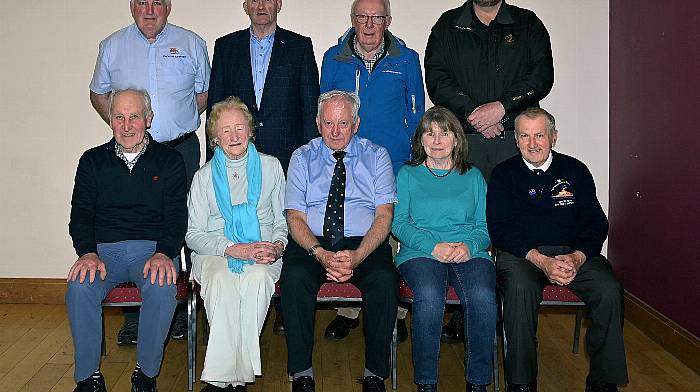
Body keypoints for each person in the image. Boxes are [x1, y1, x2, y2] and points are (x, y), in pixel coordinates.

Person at [424, 0, 554, 343]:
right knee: (465, 223)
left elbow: (541, 77)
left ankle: (512, 312)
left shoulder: (528, 24)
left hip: (514, 142)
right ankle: (465, 312)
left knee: (514, 224)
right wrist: (475, 114)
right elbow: (437, 81)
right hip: (465, 142)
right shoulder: (447, 25)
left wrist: (503, 111)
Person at [89, 0, 210, 344]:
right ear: (132, 7)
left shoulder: (192, 43)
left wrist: (173, 124)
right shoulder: (112, 46)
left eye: (158, 2)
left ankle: (174, 309)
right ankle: (134, 317)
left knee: (181, 222)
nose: (150, 9)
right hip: (133, 152)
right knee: (131, 225)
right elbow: (99, 93)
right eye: (142, 2)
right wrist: (127, 129)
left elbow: (201, 95)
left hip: (180, 148)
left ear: (168, 6)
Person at [486, 108, 628, 392]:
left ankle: (603, 381)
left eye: (539, 135)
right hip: (523, 255)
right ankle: (522, 382)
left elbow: (597, 223)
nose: (532, 143)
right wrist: (541, 261)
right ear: (516, 140)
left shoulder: (575, 170)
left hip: (574, 253)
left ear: (554, 137)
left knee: (609, 289)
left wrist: (577, 257)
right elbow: (500, 229)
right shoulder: (504, 174)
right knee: (519, 290)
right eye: (524, 136)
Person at [67, 88, 187, 392]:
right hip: (104, 252)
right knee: (79, 286)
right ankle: (87, 378)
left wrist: (165, 253)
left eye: (135, 116)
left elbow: (176, 217)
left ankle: (145, 375)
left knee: (162, 287)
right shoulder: (92, 161)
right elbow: (80, 215)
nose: (127, 124)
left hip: (153, 250)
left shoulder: (169, 160)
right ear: (110, 121)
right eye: (119, 117)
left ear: (149, 119)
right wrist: (87, 253)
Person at [319, 0, 424, 342]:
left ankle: (395, 310)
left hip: (393, 163)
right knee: (349, 227)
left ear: (387, 21)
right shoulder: (334, 59)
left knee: (391, 235)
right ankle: (347, 310)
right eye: (362, 16)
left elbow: (417, 112)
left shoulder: (406, 60)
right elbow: (326, 112)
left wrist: (410, 153)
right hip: (347, 161)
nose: (368, 24)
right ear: (352, 19)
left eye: (376, 17)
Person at [281, 91, 398, 392]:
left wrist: (358, 255)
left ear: (356, 123)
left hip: (364, 241)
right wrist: (319, 253)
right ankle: (302, 373)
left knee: (385, 279)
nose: (335, 131)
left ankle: (375, 373)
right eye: (328, 123)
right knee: (294, 277)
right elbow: (294, 217)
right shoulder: (301, 157)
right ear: (318, 123)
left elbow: (384, 215)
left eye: (343, 123)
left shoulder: (377, 156)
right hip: (313, 241)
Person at [186, 97, 287, 391]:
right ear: (215, 138)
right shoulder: (203, 177)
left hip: (264, 249)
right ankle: (232, 377)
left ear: (251, 131)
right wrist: (231, 248)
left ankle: (225, 379)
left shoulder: (272, 167)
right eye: (225, 130)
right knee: (221, 280)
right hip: (215, 251)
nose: (234, 136)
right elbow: (193, 234)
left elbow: (283, 222)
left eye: (240, 128)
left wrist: (277, 246)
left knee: (256, 279)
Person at [392, 107, 495, 392]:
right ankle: (426, 383)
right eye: (430, 133)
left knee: (483, 297)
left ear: (457, 140)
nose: (437, 140)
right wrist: (432, 246)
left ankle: (478, 383)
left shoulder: (473, 177)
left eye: (445, 133)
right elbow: (398, 224)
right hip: (420, 251)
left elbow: (485, 226)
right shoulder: (408, 174)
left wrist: (470, 246)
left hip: (468, 251)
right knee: (429, 295)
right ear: (420, 140)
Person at [206, 0, 320, 171]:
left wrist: (311, 159)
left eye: (267, 0)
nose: (260, 6)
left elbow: (310, 109)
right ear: (245, 7)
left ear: (278, 4)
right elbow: (214, 109)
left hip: (288, 155)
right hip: (236, 154)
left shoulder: (300, 47)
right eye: (254, 0)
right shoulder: (226, 47)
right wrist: (212, 158)